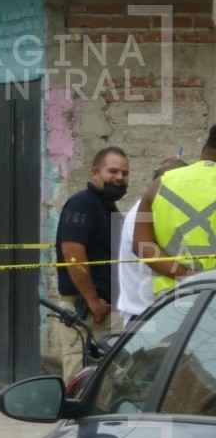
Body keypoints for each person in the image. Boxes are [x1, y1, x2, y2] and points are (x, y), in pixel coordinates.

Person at [54, 146, 129, 379]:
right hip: (85, 313)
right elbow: (73, 253)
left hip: (103, 313)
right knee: (82, 383)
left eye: (125, 173)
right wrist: (92, 299)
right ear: (94, 172)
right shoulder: (83, 203)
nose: (119, 178)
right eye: (113, 171)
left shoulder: (108, 208)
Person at [133, 126, 216, 295]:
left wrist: (185, 274)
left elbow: (141, 244)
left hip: (170, 300)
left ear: (204, 149)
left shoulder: (159, 184)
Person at [115, 158, 187, 324]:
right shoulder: (146, 213)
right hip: (145, 316)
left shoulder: (151, 208)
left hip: (152, 313)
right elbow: (147, 251)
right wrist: (189, 275)